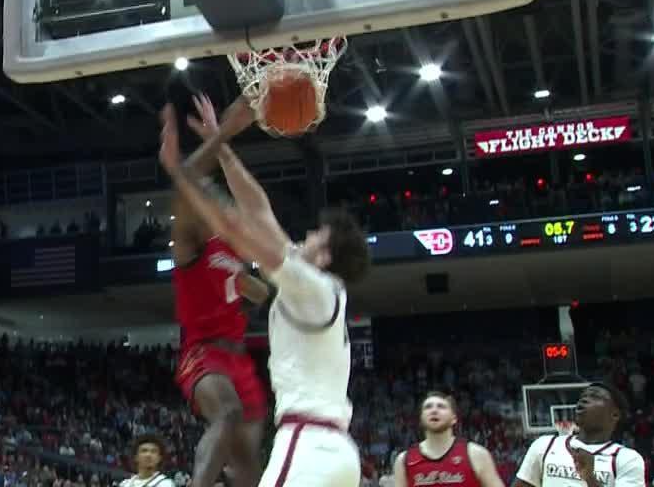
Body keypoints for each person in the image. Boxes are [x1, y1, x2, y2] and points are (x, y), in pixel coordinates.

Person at [158, 98, 371, 487]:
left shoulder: (310, 286)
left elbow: (238, 224)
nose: (302, 237)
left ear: (323, 256)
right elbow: (259, 210)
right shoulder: (318, 289)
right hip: (335, 452)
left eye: (313, 236)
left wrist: (182, 175)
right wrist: (221, 148)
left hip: (307, 445)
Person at [170, 94, 271, 487]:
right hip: (203, 352)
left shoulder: (234, 251)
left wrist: (272, 287)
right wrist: (224, 133)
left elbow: (257, 292)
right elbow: (189, 175)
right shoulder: (191, 240)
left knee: (248, 471)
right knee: (226, 414)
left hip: (240, 360)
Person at [514, 383, 644, 487]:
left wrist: (590, 478)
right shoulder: (545, 445)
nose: (584, 399)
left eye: (595, 396)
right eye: (583, 395)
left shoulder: (627, 459)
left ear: (615, 414)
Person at [392, 392, 506, 487]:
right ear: (421, 419)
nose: (434, 410)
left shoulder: (476, 454)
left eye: (441, 406)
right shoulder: (403, 460)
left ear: (454, 418)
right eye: (428, 407)